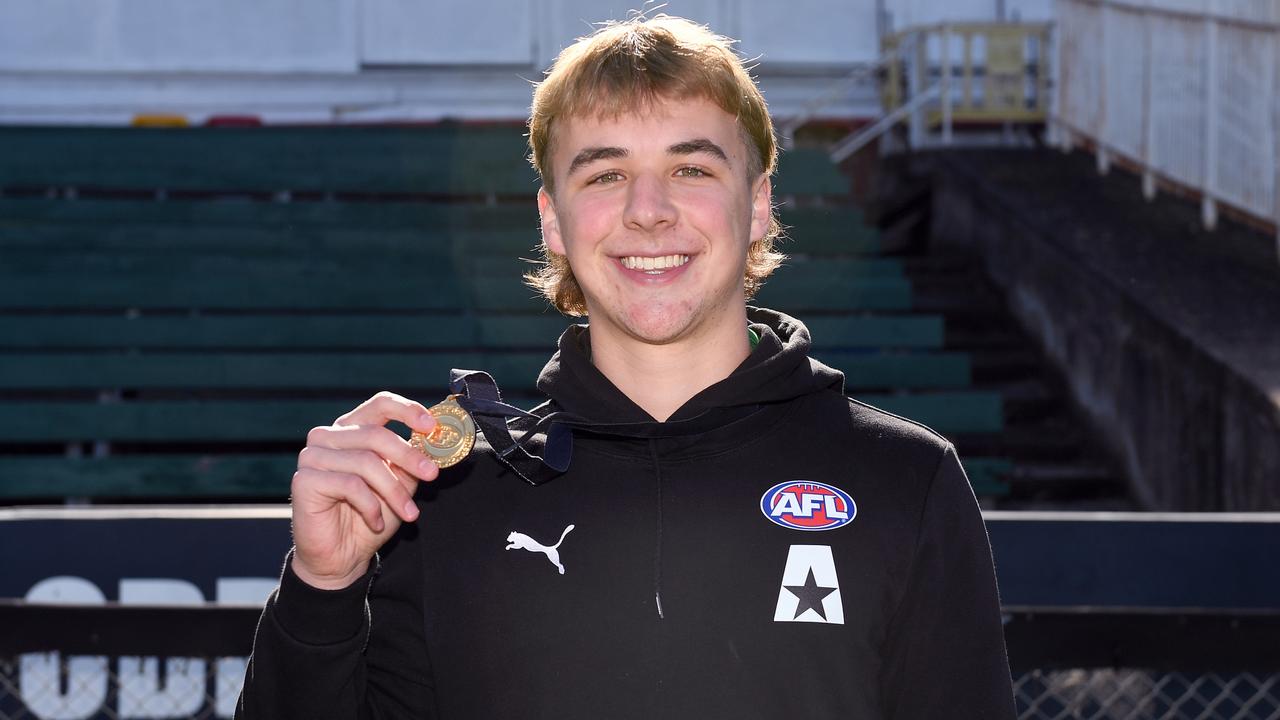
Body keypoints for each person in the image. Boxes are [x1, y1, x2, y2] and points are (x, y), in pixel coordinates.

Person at [237, 14, 1016, 719]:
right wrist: (323, 587)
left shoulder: (906, 482)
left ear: (759, 207)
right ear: (553, 220)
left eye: (692, 168)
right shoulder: (441, 502)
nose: (649, 209)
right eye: (605, 174)